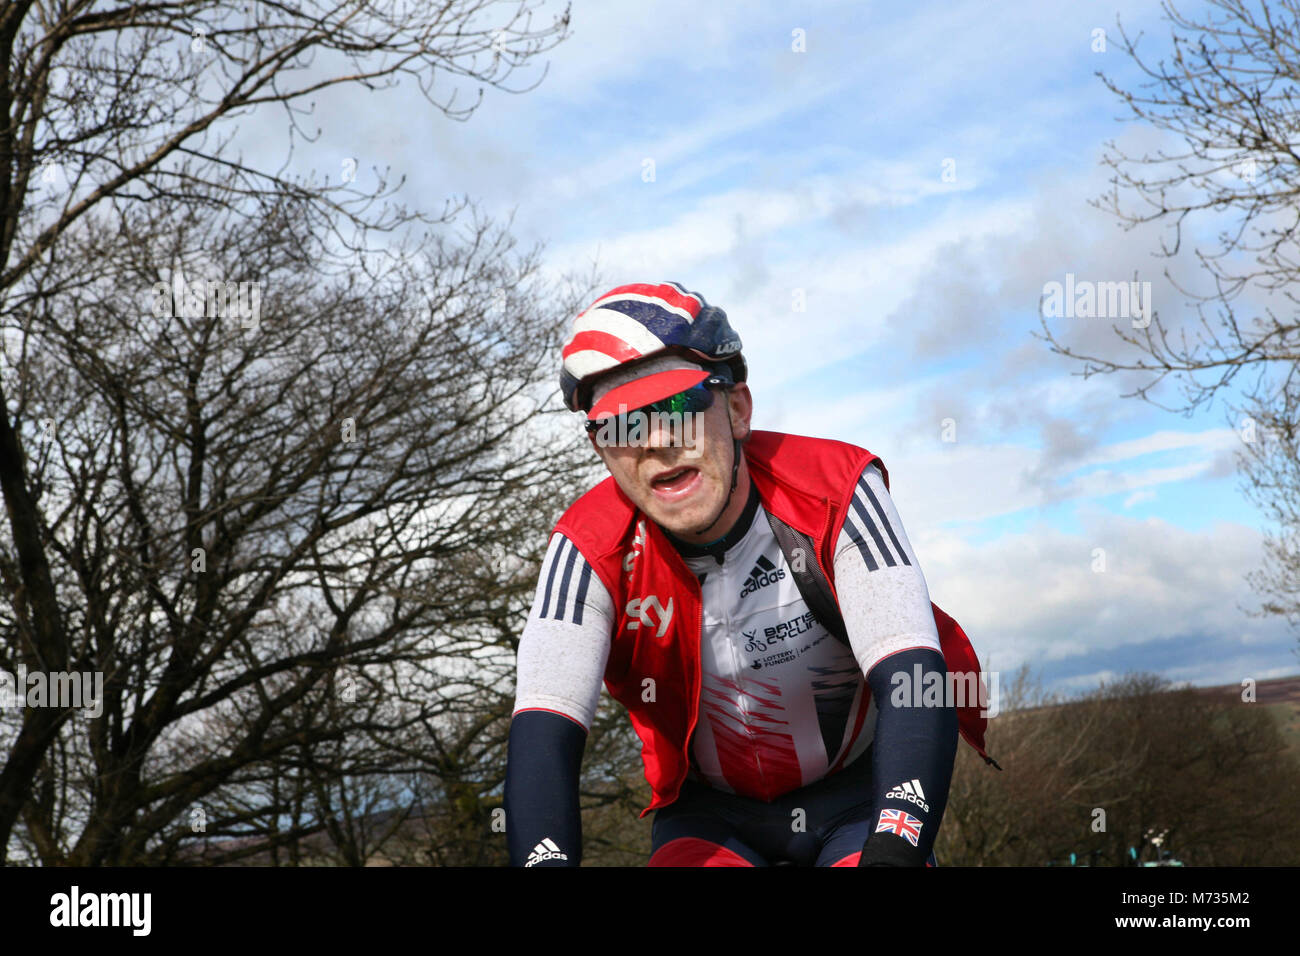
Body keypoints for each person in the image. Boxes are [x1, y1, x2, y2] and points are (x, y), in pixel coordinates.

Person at [504, 281, 994, 867]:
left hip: (857, 798)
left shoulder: (833, 488)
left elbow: (914, 679)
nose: (657, 440)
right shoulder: (587, 548)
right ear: (601, 450)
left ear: (737, 410)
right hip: (711, 818)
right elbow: (543, 738)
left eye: (679, 405)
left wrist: (895, 842)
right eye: (620, 426)